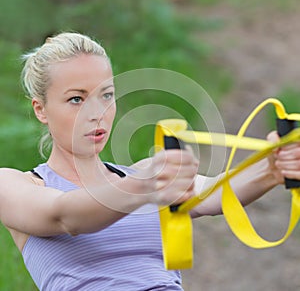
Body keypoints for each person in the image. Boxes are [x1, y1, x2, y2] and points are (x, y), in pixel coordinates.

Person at [0, 32, 299, 291]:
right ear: (41, 109)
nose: (97, 112)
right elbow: (65, 215)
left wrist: (271, 168)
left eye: (106, 95)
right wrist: (145, 186)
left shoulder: (142, 173)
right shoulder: (14, 184)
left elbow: (217, 193)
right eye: (76, 99)